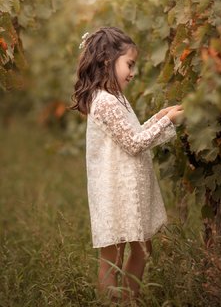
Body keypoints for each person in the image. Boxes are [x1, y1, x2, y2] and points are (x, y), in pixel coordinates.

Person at [70, 26, 184, 305]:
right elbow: (134, 143)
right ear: (108, 61)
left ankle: (128, 300)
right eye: (129, 64)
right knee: (113, 256)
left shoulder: (115, 97)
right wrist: (169, 122)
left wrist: (161, 115)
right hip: (114, 189)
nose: (133, 72)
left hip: (127, 186)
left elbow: (133, 133)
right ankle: (111, 303)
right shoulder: (105, 101)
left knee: (142, 248)